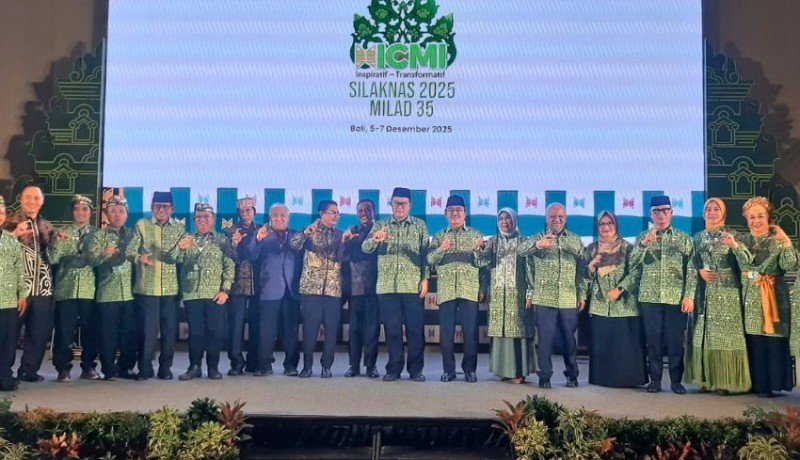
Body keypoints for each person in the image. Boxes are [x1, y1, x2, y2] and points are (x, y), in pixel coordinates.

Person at [684, 198, 752, 394]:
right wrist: (697, 277)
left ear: (724, 213)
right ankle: (704, 379)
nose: (712, 213)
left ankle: (724, 381)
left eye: (717, 209)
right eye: (708, 209)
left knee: (725, 338)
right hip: (704, 293)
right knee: (703, 336)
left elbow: (747, 264)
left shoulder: (733, 235)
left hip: (727, 293)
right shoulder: (697, 237)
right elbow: (691, 265)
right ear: (703, 213)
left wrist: (735, 246)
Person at [362, 187, 430, 382]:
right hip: (387, 287)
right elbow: (365, 248)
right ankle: (394, 368)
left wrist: (425, 279)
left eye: (403, 203)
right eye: (396, 203)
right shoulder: (381, 225)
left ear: (410, 205)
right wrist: (375, 240)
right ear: (390, 205)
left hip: (412, 286)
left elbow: (425, 255)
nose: (400, 207)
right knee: (392, 331)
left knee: (415, 330)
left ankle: (416, 370)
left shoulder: (419, 226)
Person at [630, 195, 696, 394]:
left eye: (665, 210)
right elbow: (632, 264)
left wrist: (689, 296)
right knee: (653, 341)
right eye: (656, 211)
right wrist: (644, 245)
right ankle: (655, 380)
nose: (661, 214)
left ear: (671, 213)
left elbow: (692, 269)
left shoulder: (684, 238)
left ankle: (676, 381)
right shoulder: (642, 237)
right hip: (649, 298)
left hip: (676, 298)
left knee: (675, 342)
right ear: (651, 214)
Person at [519, 203, 585, 389]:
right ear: (546, 219)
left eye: (561, 217)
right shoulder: (537, 238)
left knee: (569, 340)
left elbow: (582, 270)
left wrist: (581, 293)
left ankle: (572, 375)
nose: (557, 220)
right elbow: (521, 252)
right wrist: (537, 245)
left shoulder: (575, 240)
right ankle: (545, 376)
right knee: (545, 341)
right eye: (553, 216)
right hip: (543, 297)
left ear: (566, 219)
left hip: (568, 297)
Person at [737, 197, 797, 397]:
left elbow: (790, 265)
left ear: (768, 217)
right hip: (750, 296)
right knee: (755, 340)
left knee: (773, 339)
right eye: (752, 217)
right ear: (747, 219)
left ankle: (773, 383)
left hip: (774, 296)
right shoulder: (741, 241)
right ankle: (757, 384)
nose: (757, 221)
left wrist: (786, 241)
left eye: (760, 216)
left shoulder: (777, 240)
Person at [125, 191, 185, 380]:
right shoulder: (141, 225)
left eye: (165, 207)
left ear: (172, 209)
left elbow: (182, 258)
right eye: (157, 206)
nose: (161, 210)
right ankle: (144, 368)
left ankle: (165, 368)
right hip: (147, 287)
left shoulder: (179, 228)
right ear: (152, 208)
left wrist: (181, 251)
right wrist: (139, 257)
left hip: (170, 288)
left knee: (169, 331)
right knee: (147, 331)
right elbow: (129, 251)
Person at [428, 195, 488, 383]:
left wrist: (482, 286)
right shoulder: (439, 236)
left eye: (458, 210)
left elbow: (483, 264)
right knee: (446, 334)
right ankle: (449, 370)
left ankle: (470, 370)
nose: (455, 213)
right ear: (445, 213)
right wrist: (441, 249)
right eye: (451, 210)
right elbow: (429, 261)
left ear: (465, 213)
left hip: (469, 289)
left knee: (470, 333)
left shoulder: (475, 235)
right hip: (446, 290)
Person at [583, 211, 646, 388]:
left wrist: (620, 289)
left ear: (616, 225)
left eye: (609, 223)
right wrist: (591, 266)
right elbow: (584, 277)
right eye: (602, 224)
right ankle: (603, 380)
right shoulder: (592, 248)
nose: (606, 227)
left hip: (624, 304)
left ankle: (628, 380)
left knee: (624, 346)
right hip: (600, 304)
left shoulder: (627, 247)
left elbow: (636, 272)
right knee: (603, 343)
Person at [175, 203, 234, 380]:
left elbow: (229, 265)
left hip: (215, 294)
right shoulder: (186, 239)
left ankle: (213, 367)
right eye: (198, 217)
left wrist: (225, 290)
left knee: (215, 332)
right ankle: (194, 367)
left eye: (206, 217)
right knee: (195, 332)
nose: (202, 220)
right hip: (192, 293)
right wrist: (180, 249)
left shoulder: (222, 240)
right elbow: (175, 261)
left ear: (213, 219)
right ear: (194, 220)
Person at [476, 208, 535, 384]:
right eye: (501, 218)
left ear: (514, 221)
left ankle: (519, 372)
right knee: (500, 333)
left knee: (517, 333)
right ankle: (503, 370)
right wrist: (477, 249)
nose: (504, 222)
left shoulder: (524, 242)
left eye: (508, 218)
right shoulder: (493, 242)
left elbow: (530, 269)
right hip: (497, 296)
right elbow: (481, 262)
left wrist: (530, 293)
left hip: (518, 295)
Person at [5, 184, 55, 383]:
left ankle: (29, 370)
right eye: (28, 197)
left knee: (39, 332)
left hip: (43, 288)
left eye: (36, 198)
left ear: (42, 201)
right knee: (9, 333)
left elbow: (54, 256)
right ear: (20, 199)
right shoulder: (9, 223)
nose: (32, 201)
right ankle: (4, 372)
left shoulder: (48, 227)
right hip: (16, 290)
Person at [246, 203, 302, 376]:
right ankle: (264, 365)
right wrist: (257, 239)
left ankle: (291, 365)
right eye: (275, 215)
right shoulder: (262, 233)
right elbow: (251, 255)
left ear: (288, 218)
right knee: (266, 331)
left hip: (291, 290)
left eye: (282, 215)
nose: (279, 218)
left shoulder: (296, 236)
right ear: (270, 217)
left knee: (291, 331)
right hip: (268, 289)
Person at [48, 195, 99, 382]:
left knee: (90, 331)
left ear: (91, 212)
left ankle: (89, 366)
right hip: (66, 288)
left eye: (85, 209)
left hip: (90, 289)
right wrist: (57, 242)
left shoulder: (98, 234)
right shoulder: (61, 233)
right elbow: (52, 258)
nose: (81, 213)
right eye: (77, 209)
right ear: (72, 212)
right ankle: (62, 368)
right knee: (64, 330)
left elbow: (99, 261)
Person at [291, 200, 344, 378]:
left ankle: (326, 366)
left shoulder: (340, 234)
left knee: (331, 330)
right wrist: (305, 233)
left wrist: (347, 243)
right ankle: (307, 366)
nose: (336, 216)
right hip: (311, 289)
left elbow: (343, 258)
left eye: (337, 213)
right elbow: (294, 245)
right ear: (321, 214)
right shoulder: (309, 231)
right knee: (310, 329)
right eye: (332, 212)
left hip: (332, 289)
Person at [86, 196, 136, 380]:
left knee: (128, 333)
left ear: (127, 215)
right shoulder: (98, 235)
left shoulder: (132, 235)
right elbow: (90, 261)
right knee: (108, 334)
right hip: (107, 293)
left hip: (129, 293)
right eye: (113, 211)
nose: (117, 215)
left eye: (121, 211)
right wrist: (103, 254)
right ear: (106, 214)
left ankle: (126, 368)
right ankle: (108, 368)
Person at [342, 199, 380, 379]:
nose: (364, 213)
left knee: (372, 330)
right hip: (355, 287)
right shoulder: (351, 231)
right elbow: (344, 257)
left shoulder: (380, 230)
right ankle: (354, 365)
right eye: (360, 210)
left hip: (375, 286)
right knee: (355, 329)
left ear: (374, 211)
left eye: (367, 209)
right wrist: (346, 242)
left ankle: (371, 366)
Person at [225, 197, 260, 376]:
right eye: (242, 211)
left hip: (259, 285)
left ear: (254, 212)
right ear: (238, 213)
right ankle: (236, 362)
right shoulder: (230, 231)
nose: (245, 214)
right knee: (235, 326)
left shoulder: (262, 230)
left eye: (249, 210)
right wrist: (234, 244)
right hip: (236, 285)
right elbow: (228, 258)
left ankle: (254, 361)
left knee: (257, 325)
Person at [0, 196, 27, 391]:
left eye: (1, 212)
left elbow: (19, 268)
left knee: (7, 341)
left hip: (8, 299)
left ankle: (4, 376)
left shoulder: (11, 240)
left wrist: (22, 294)